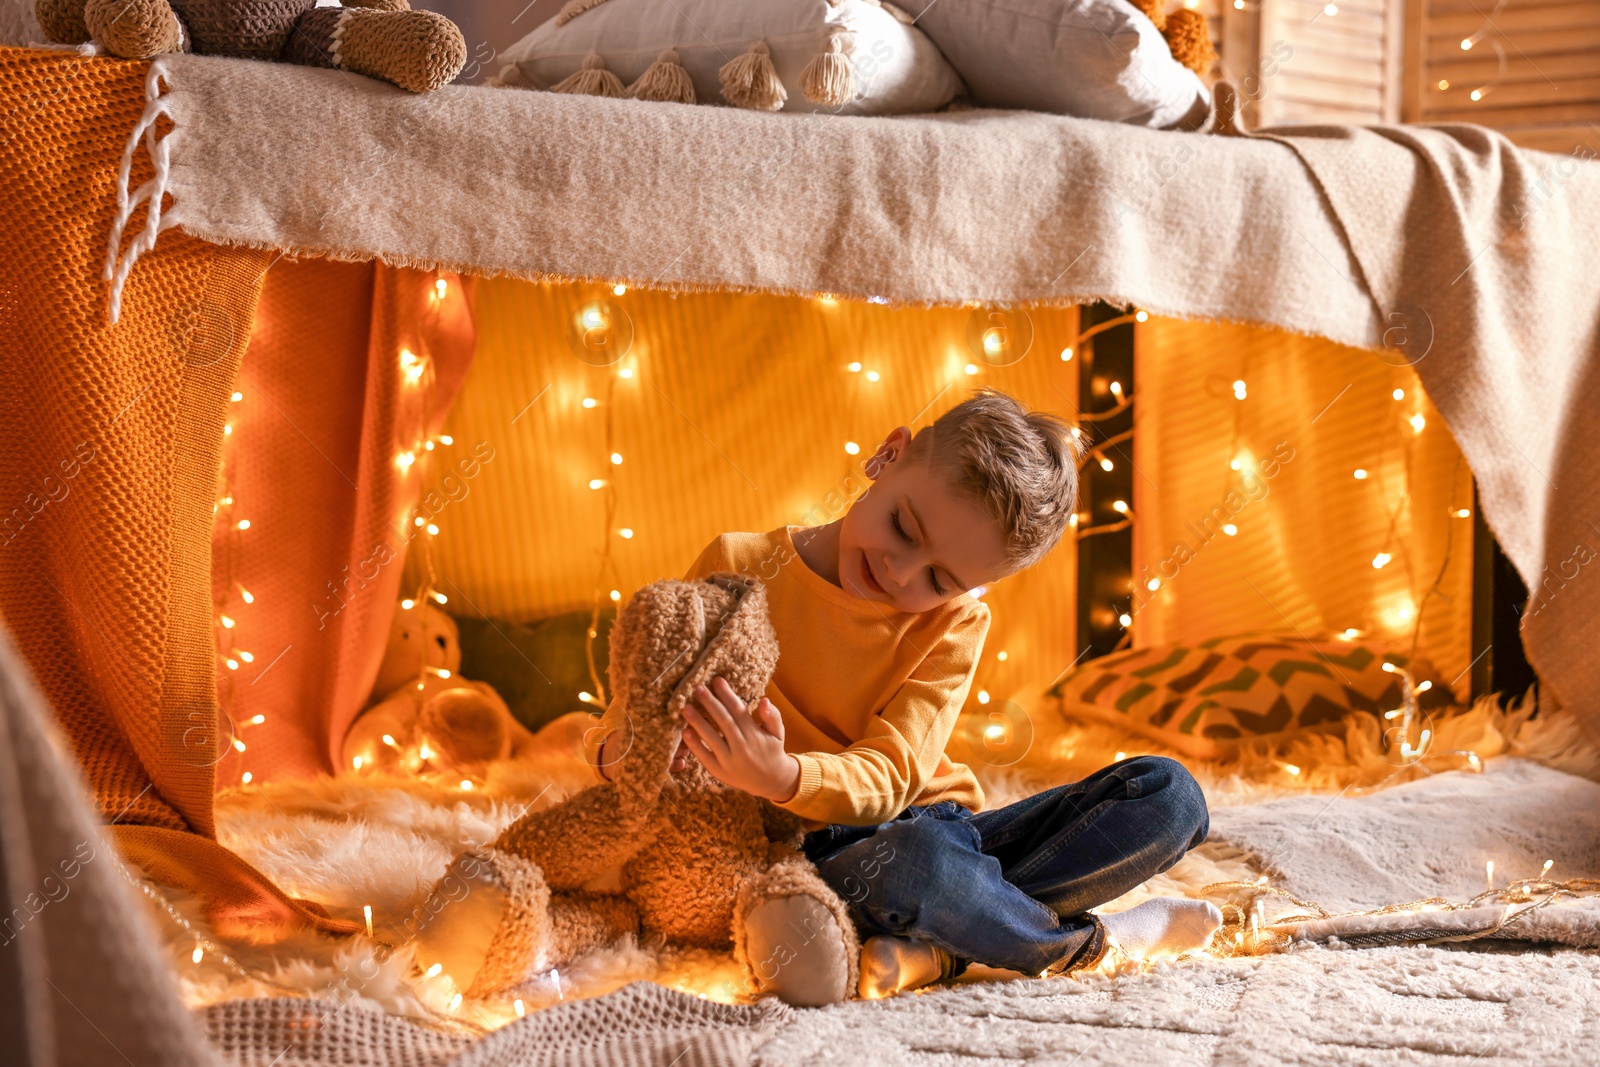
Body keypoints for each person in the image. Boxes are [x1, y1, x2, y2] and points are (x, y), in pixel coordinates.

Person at [587, 388, 1218, 997]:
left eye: (940, 577)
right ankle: (1073, 944)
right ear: (887, 457)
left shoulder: (957, 623)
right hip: (809, 859)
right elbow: (641, 699)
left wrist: (784, 775)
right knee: (915, 867)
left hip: (928, 830)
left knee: (1170, 797)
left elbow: (893, 773)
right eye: (904, 528)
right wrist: (628, 754)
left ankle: (944, 944)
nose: (899, 571)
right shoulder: (740, 562)